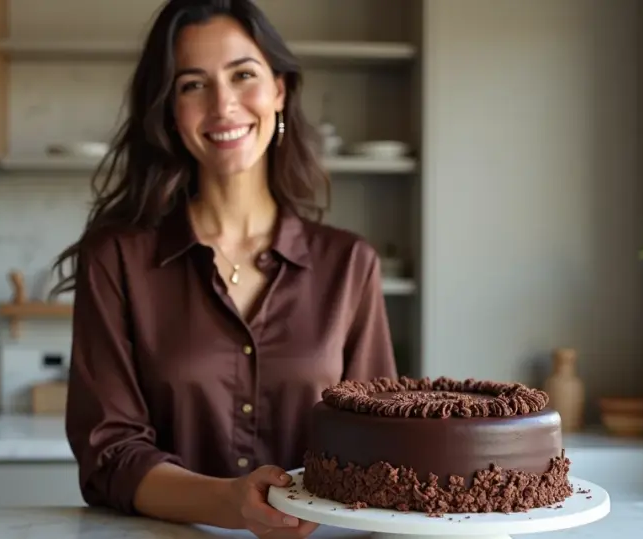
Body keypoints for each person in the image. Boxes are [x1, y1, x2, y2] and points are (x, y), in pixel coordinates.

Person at [49, 0, 398, 537]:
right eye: (192, 85)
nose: (223, 105)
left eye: (243, 75)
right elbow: (108, 454)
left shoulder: (349, 264)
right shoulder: (117, 259)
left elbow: (378, 439)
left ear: (279, 89)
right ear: (169, 109)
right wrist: (224, 503)